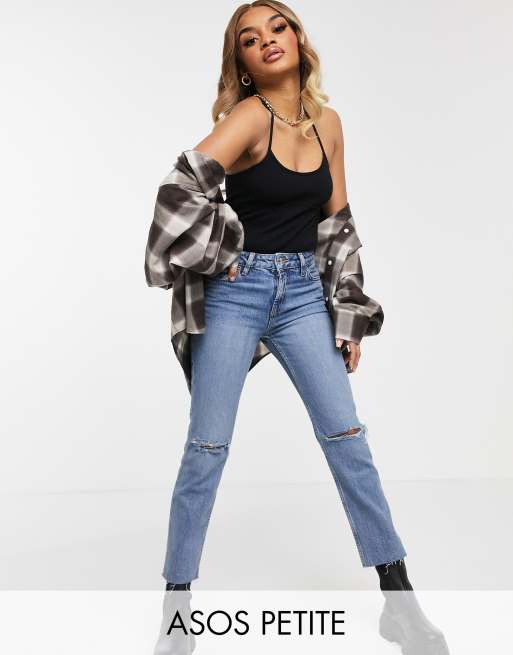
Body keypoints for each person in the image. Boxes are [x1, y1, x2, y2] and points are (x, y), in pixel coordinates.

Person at [148, 3, 449, 654]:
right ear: (242, 63)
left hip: (305, 297)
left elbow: (336, 225)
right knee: (206, 448)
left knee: (347, 440)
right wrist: (219, 254)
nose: (266, 41)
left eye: (276, 28)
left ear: (296, 37)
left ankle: (400, 605)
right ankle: (176, 613)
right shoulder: (247, 118)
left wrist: (349, 314)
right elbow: (177, 191)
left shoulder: (328, 124)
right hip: (237, 295)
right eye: (249, 39)